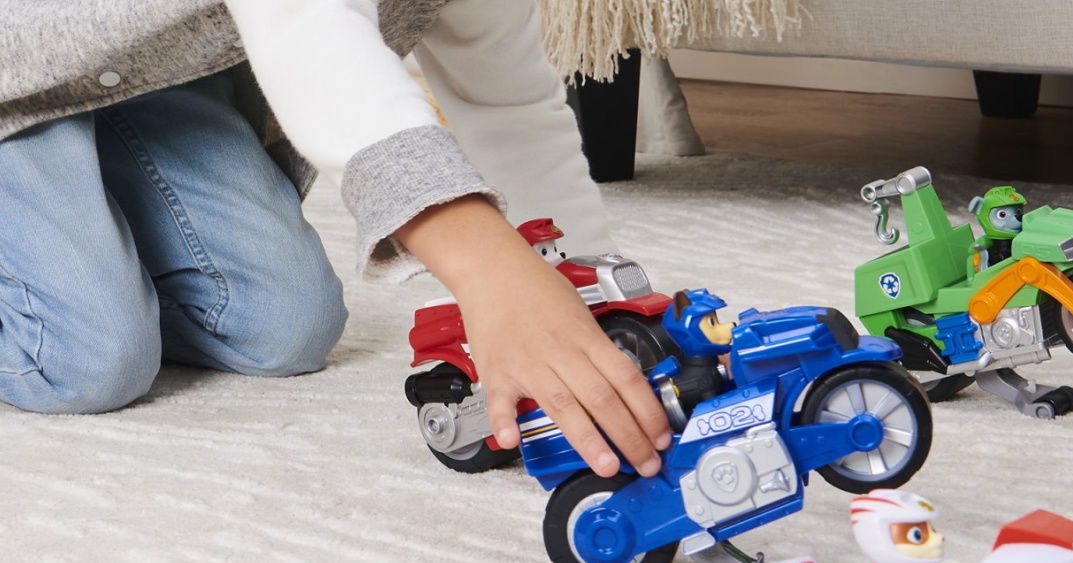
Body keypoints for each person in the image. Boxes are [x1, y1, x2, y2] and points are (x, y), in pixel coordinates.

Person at [0, 0, 670, 478]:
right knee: (88, 359)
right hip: (13, 66)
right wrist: (490, 270)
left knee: (285, 325)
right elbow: (309, 30)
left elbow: (508, 104)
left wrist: (575, 290)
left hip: (140, 69)